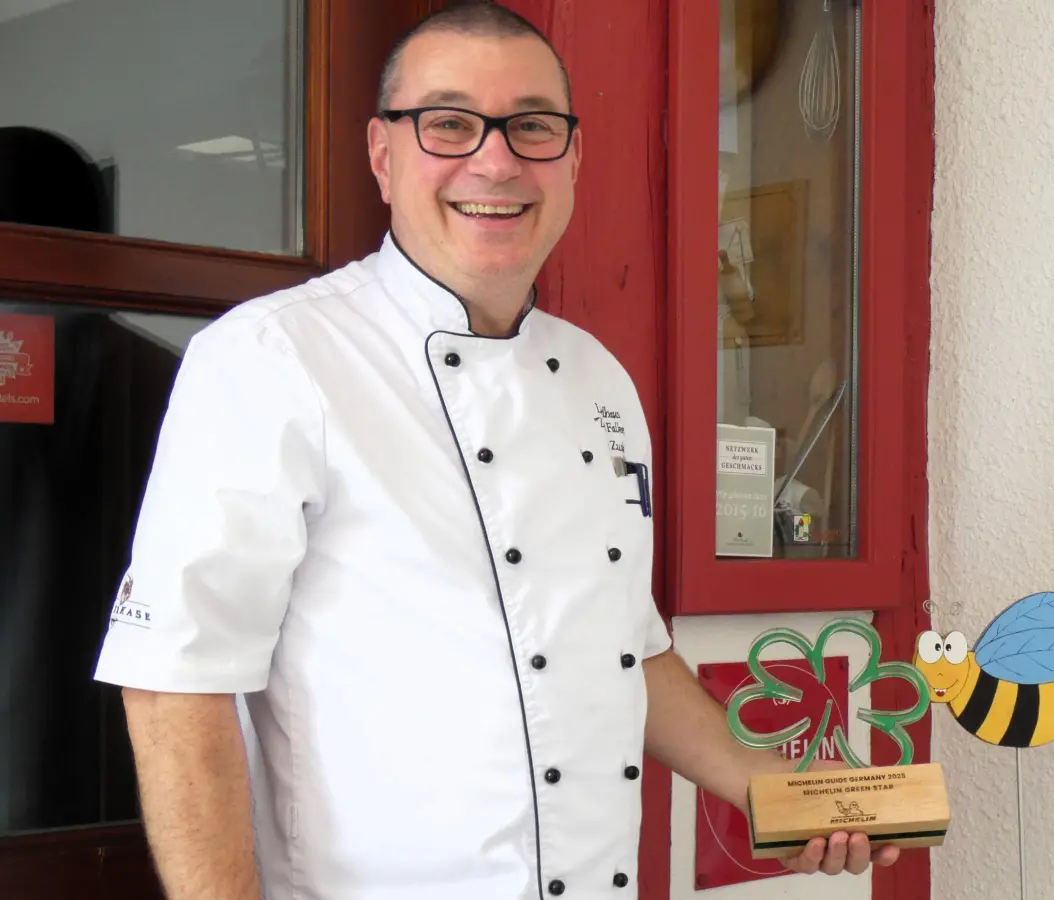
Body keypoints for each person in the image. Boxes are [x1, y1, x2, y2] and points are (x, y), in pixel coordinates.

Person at [91, 3, 898, 898]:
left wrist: (766, 783)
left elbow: (625, 646)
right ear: (381, 153)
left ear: (573, 157)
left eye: (533, 126)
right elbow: (176, 683)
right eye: (447, 122)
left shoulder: (599, 381)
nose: (496, 159)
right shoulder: (273, 359)